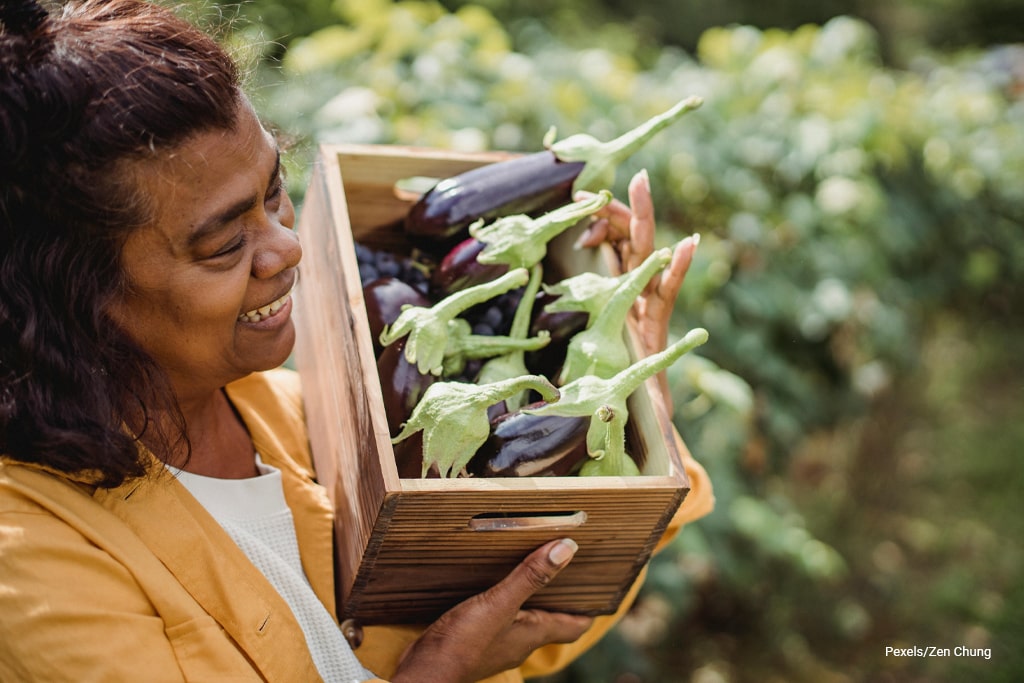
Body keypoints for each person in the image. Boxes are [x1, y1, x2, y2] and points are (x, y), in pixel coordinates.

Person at [0, 0, 713, 681]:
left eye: (275, 191)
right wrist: (441, 668)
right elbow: (460, 647)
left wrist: (639, 402)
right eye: (223, 244)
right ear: (77, 295)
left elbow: (542, 615)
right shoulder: (28, 554)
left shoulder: (309, 414)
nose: (285, 246)